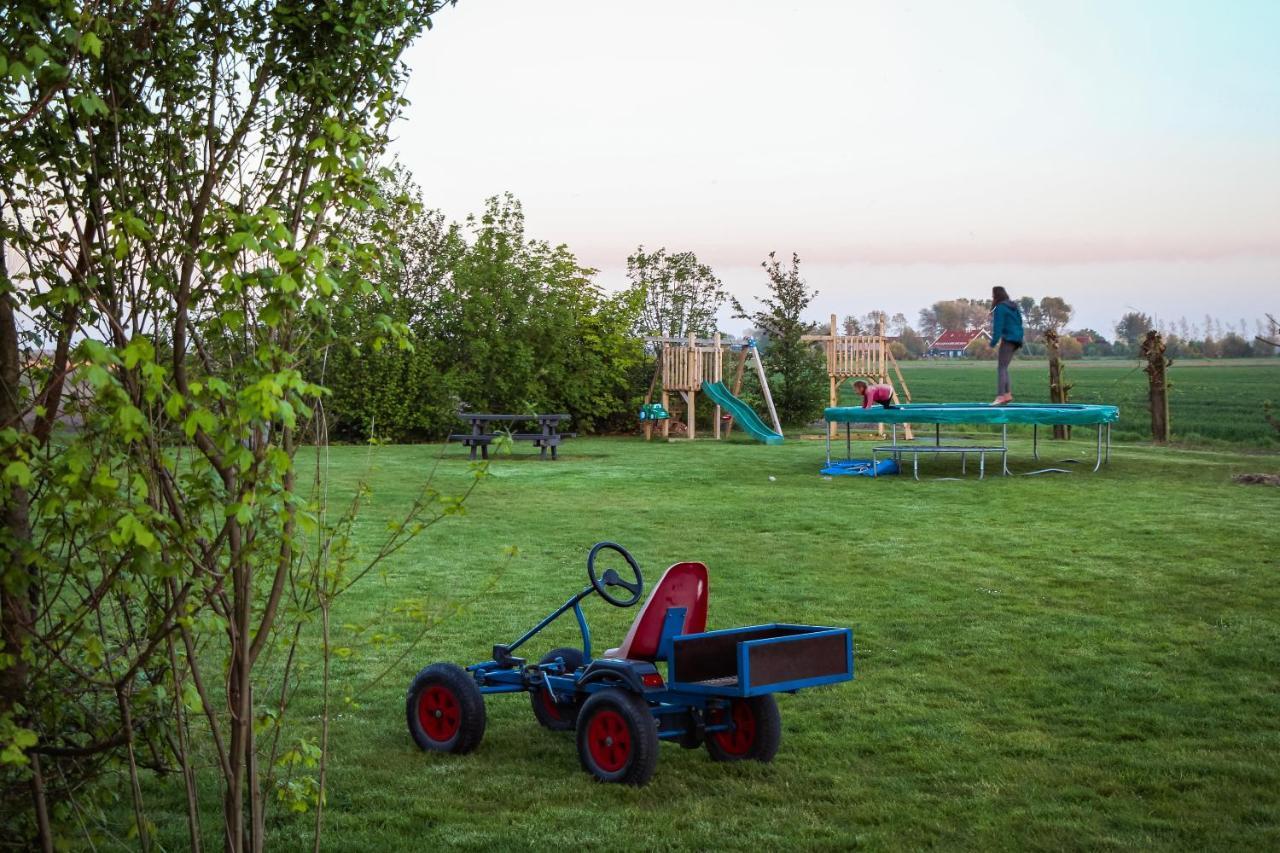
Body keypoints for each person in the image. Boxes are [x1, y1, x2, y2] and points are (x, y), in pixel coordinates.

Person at [988, 286, 1024, 405]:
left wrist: (992, 343)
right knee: (1004, 367)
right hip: (1017, 339)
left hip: (1009, 339)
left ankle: (1000, 396)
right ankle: (1007, 394)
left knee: (1001, 368)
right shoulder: (1014, 306)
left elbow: (998, 327)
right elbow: (1020, 322)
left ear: (996, 295)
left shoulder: (1000, 308)